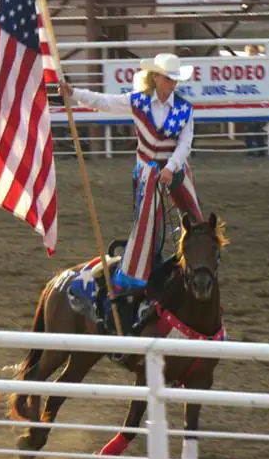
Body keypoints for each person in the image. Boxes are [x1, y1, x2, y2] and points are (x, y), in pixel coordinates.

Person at [60, 53, 203, 299]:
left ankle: (199, 265)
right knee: (147, 225)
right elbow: (105, 102)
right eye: (170, 79)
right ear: (156, 77)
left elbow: (185, 144)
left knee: (197, 221)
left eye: (175, 79)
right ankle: (136, 277)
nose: (173, 84)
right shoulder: (138, 102)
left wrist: (170, 167)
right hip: (149, 170)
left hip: (175, 168)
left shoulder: (184, 109)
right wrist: (74, 94)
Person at [242, 44, 268, 157]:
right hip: (257, 100)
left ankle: (252, 149)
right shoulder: (262, 63)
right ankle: (260, 149)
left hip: (251, 100)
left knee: (252, 127)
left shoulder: (244, 65)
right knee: (257, 127)